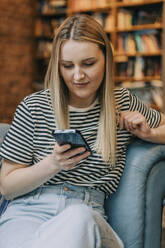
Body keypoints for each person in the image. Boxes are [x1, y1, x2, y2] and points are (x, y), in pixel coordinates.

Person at [0, 14, 165, 248]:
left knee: (77, 220)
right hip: (27, 214)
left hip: (87, 215)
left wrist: (151, 134)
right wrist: (53, 164)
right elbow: (7, 187)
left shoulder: (122, 102)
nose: (77, 76)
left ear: (106, 59)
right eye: (67, 66)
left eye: (88, 63)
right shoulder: (34, 106)